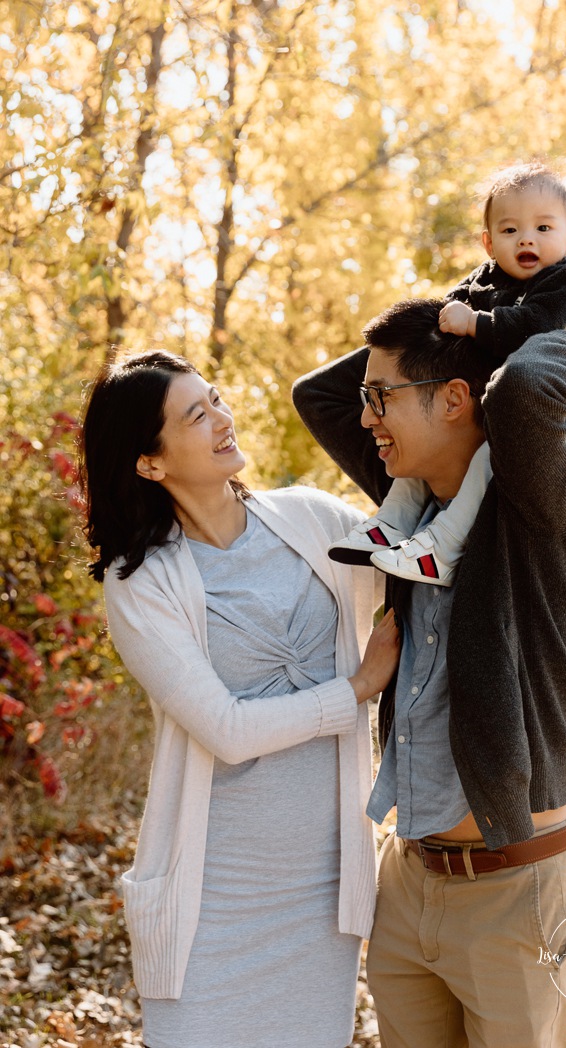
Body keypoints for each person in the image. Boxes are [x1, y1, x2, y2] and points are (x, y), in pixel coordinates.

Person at [292, 296, 566, 1048]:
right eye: (370, 399)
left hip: (517, 892)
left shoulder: (544, 510)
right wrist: (466, 309)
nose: (366, 417)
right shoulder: (408, 512)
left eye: (383, 399)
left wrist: (554, 327)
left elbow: (531, 391)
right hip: (407, 885)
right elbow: (318, 394)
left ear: (458, 400)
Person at [78, 349, 401, 1048]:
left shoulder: (312, 520)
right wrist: (355, 689)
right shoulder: (142, 583)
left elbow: (423, 560)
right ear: (149, 462)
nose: (221, 418)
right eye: (195, 415)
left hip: (321, 888)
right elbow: (225, 729)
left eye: (216, 399)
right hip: (211, 900)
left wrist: (493, 313)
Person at [328, 160, 566, 587]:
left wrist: (474, 323)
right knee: (420, 456)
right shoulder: (485, 279)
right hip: (494, 403)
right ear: (488, 242)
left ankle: (443, 548)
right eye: (510, 230)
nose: (526, 239)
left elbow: (537, 328)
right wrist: (409, 344)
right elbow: (437, 327)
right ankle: (392, 523)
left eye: (543, 228)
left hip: (557, 414)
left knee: (487, 460)